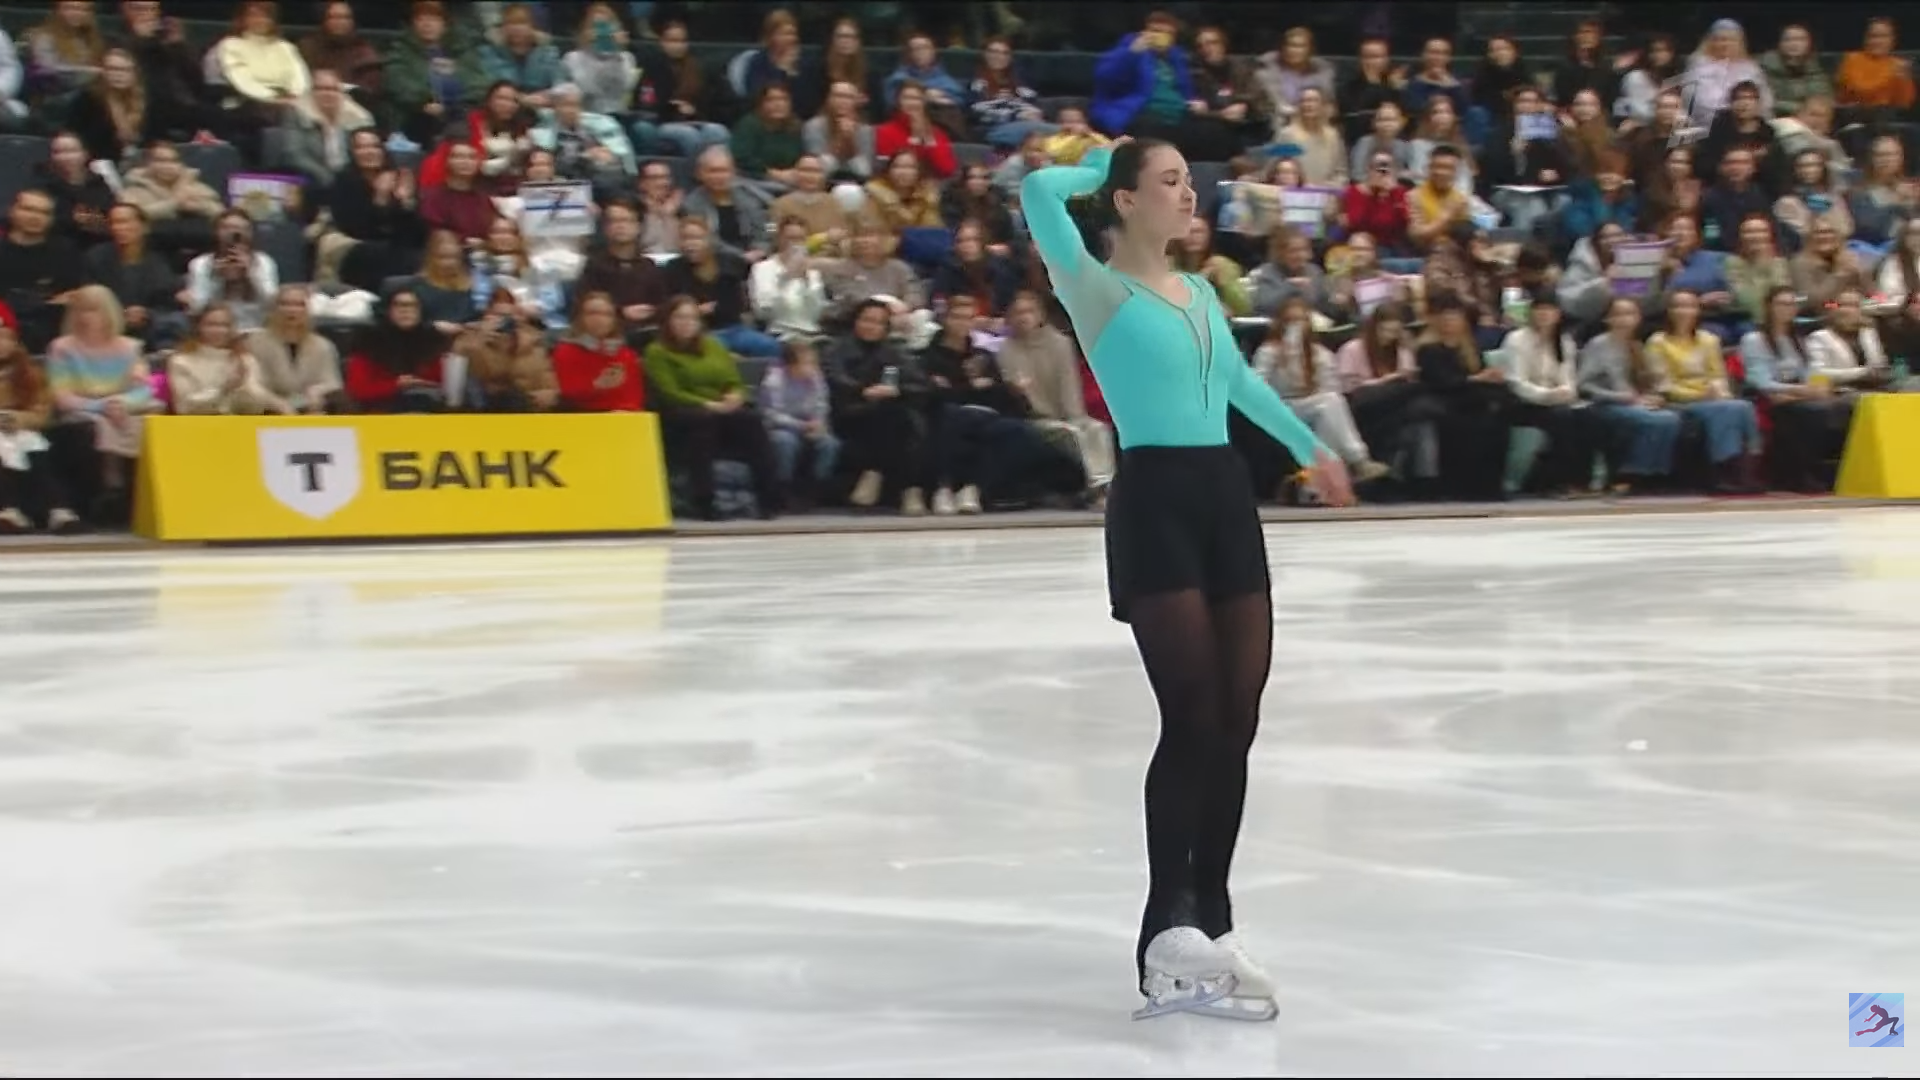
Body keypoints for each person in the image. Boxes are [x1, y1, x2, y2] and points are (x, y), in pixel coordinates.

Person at [1022, 136, 1354, 1022]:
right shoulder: (1094, 288)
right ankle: (1164, 929)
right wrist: (1102, 167)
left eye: (1188, 180)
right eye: (1169, 181)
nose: (1189, 193)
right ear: (1127, 201)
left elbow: (1238, 383)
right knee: (1193, 717)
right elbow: (1038, 191)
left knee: (1238, 720)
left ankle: (1213, 918)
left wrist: (1310, 448)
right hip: (1156, 504)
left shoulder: (1202, 291)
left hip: (1223, 498)